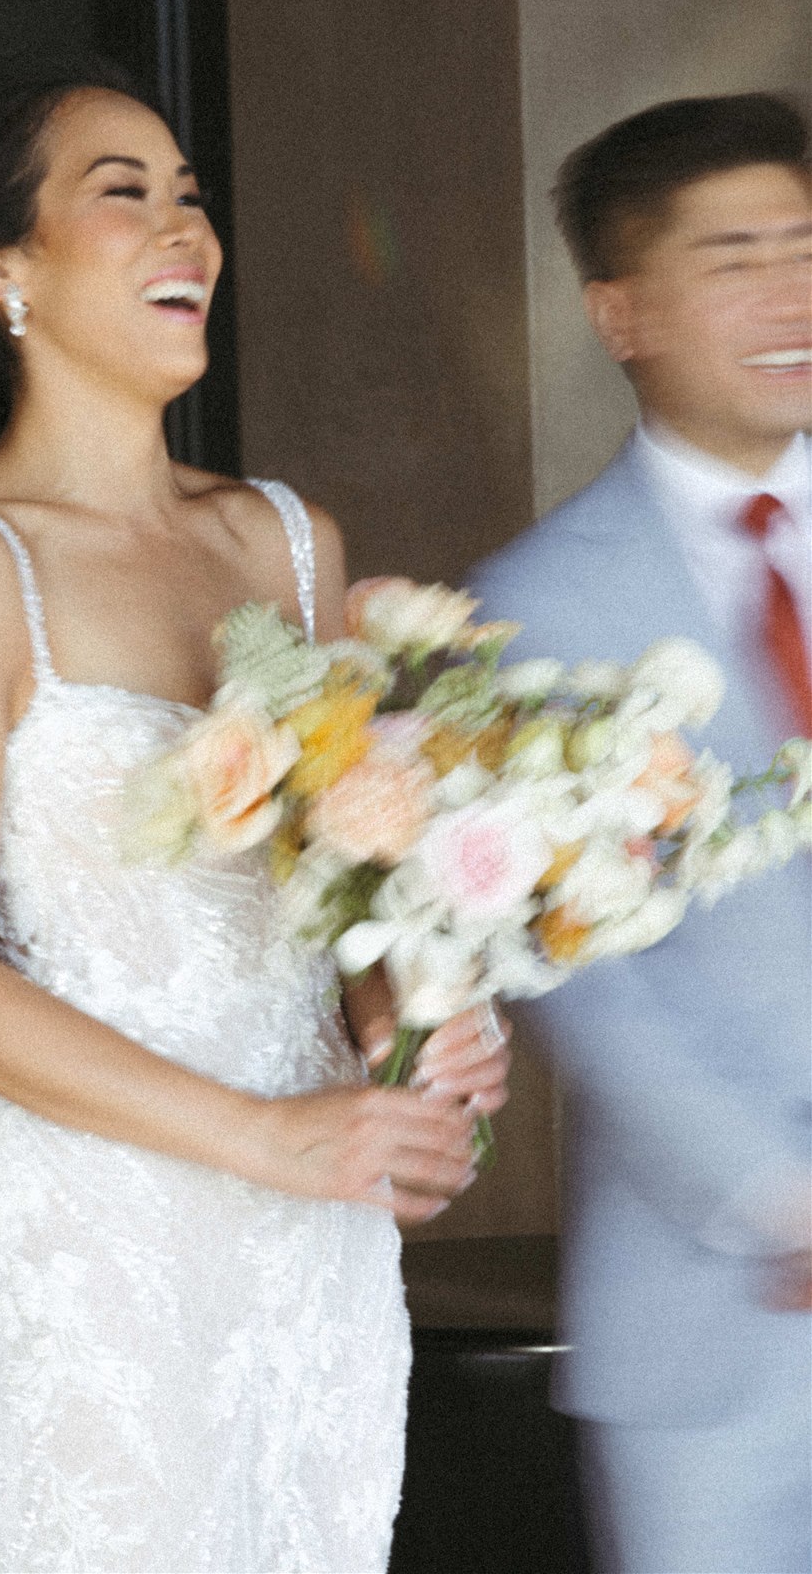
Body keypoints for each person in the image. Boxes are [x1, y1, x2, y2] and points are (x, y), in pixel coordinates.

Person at [0, 64, 511, 1574]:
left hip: (311, 1248)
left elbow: (341, 904)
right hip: (93, 1247)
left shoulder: (284, 538)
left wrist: (415, 1028)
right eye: (123, 193)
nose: (182, 229)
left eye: (191, 195)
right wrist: (262, 1136)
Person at [468, 93, 812, 1574]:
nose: (790, 293)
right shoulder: (533, 606)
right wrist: (770, 1194)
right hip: (707, 1312)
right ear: (621, 311)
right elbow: (565, 967)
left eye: (806, 245)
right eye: (734, 257)